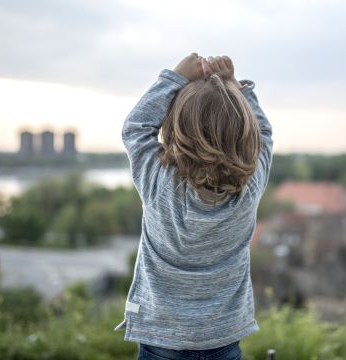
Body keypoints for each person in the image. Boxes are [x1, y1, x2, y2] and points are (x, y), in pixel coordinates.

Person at [114, 52, 273, 360]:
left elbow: (136, 127)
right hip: (223, 340)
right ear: (244, 132)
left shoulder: (159, 184)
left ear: (177, 129)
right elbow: (265, 135)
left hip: (161, 339)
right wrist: (235, 87)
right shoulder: (249, 188)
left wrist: (174, 78)